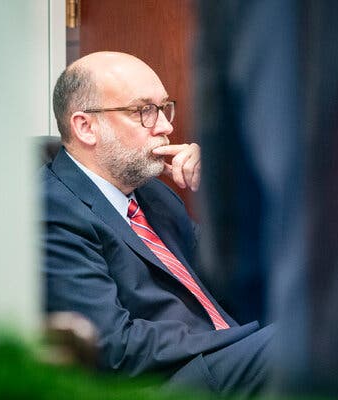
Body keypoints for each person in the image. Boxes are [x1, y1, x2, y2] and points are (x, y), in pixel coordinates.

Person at [41, 51, 273, 395]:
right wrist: (234, 339)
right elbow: (112, 345)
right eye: (144, 111)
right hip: (165, 382)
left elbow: (230, 274)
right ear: (85, 127)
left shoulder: (153, 195)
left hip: (223, 355)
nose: (165, 126)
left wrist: (230, 191)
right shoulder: (52, 209)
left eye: (165, 108)